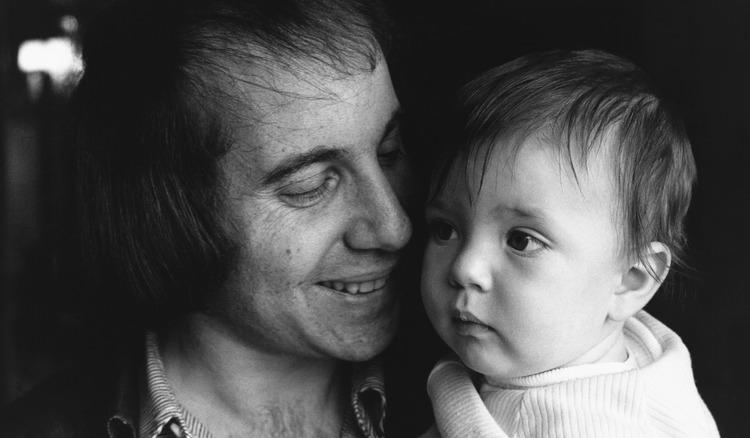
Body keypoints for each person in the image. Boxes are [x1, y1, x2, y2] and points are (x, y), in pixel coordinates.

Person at [1, 0, 433, 436]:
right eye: (310, 185)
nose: (394, 227)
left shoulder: (477, 395)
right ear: (169, 212)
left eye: (389, 151)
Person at [419, 50, 720, 437]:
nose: (464, 268)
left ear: (631, 279)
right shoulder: (608, 346)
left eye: (521, 240)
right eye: (445, 229)